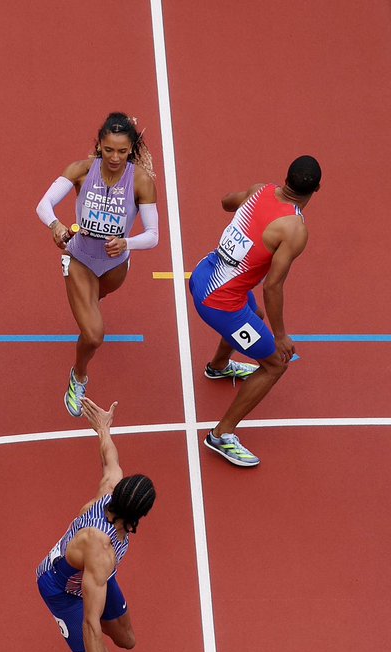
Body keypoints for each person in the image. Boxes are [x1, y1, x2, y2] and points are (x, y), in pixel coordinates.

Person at [34, 397, 156, 652]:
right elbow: (90, 619)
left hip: (97, 576)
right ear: (140, 515)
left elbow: (109, 457)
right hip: (62, 590)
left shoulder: (112, 488)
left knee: (128, 639)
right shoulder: (101, 549)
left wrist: (103, 426)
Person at [191, 156, 319, 467]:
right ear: (316, 189)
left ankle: (218, 366)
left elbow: (226, 202)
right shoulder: (294, 230)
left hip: (203, 275)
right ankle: (221, 435)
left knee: (255, 316)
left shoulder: (261, 190)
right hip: (220, 302)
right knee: (275, 364)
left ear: (285, 177)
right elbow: (272, 286)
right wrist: (281, 336)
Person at [36, 113, 160, 417]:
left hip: (115, 267)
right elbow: (43, 204)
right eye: (108, 150)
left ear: (131, 148)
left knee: (95, 302)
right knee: (93, 335)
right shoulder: (81, 170)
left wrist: (126, 242)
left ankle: (89, 305)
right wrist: (54, 225)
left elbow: (154, 235)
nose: (115, 157)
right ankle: (78, 376)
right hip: (80, 259)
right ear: (99, 146)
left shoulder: (141, 181)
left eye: (121, 151)